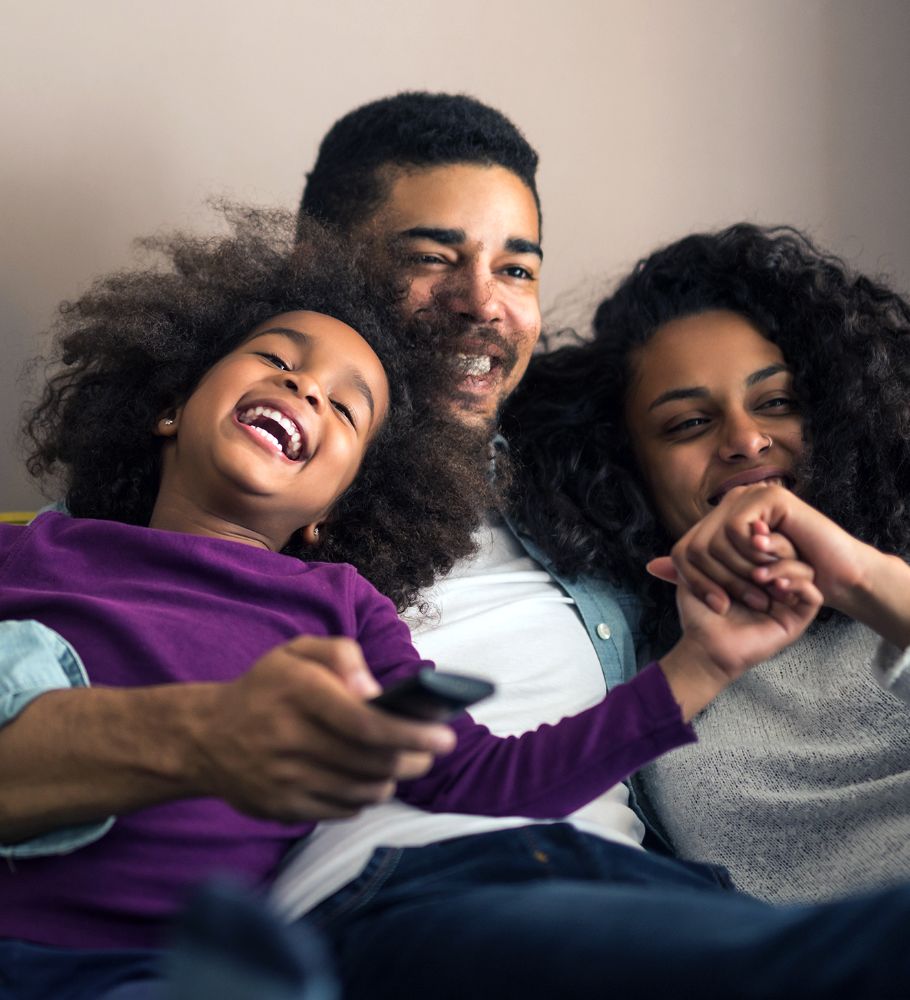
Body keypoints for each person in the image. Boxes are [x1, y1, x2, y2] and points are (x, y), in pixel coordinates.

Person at [6, 94, 907, 998]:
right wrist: (213, 730)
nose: (482, 302)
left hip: (644, 888)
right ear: (320, 270)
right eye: (433, 257)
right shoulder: (128, 532)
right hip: (407, 898)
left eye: (517, 269)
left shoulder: (601, 478)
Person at [505, 222, 910, 905]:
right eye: (689, 423)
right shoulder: (650, 672)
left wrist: (860, 579)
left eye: (776, 402)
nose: (746, 439)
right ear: (627, 468)